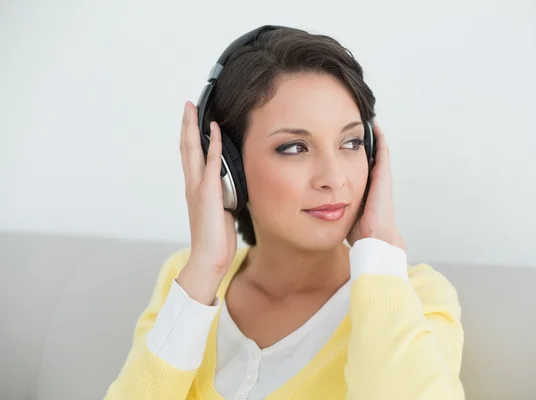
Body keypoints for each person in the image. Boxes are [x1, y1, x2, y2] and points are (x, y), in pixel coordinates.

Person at [105, 25, 465, 400]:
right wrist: (204, 270)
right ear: (228, 168)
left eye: (351, 142)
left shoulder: (416, 297)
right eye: (294, 148)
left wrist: (377, 251)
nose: (334, 178)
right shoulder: (184, 283)